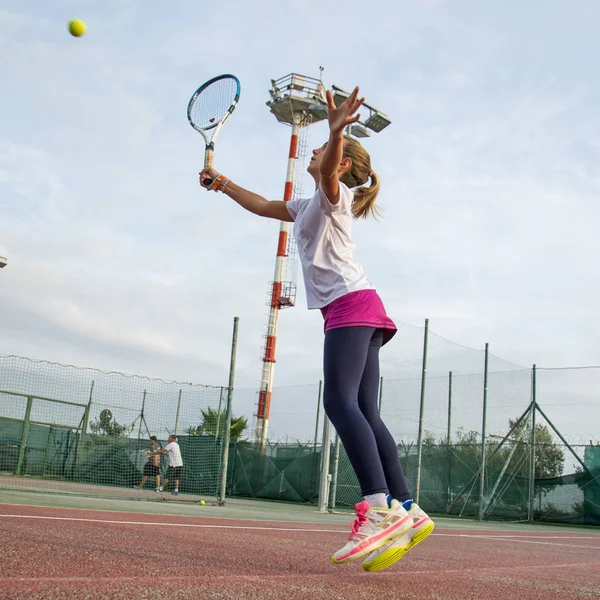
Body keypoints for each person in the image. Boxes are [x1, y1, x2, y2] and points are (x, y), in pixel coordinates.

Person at [199, 86, 434, 572]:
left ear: (342, 164)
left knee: (339, 403)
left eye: (326, 152)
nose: (317, 154)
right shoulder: (307, 206)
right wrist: (221, 183)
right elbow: (264, 205)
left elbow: (327, 171)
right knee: (365, 409)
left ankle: (377, 507)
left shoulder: (333, 194)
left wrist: (336, 129)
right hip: (362, 307)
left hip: (350, 307)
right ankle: (408, 508)